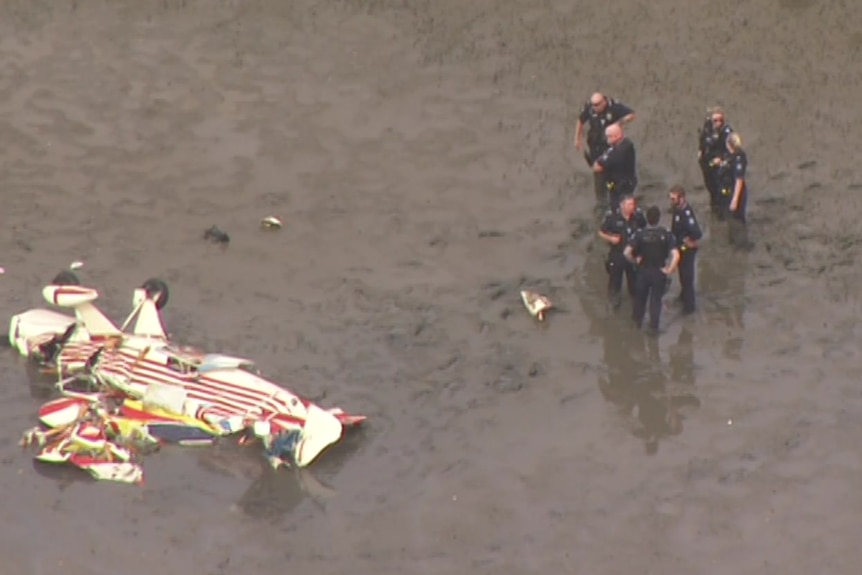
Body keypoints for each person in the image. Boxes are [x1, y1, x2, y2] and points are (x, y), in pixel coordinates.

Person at [624, 206, 680, 333]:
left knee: (639, 299)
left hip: (643, 270)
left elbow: (626, 252)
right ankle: (653, 328)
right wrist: (669, 269)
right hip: (659, 271)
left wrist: (634, 260)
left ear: (647, 219)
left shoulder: (639, 234)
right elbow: (676, 255)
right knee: (656, 300)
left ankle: (636, 323)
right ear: (659, 218)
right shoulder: (666, 233)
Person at [574, 93, 636, 202]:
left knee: (611, 172)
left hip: (608, 145)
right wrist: (577, 138)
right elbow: (581, 120)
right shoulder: (589, 107)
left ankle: (612, 189)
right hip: (595, 144)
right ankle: (601, 195)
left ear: (604, 102)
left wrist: (619, 123)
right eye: (593, 105)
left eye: (597, 105)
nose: (595, 108)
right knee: (598, 172)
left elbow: (632, 114)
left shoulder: (614, 107)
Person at [598, 195, 647, 309]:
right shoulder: (612, 217)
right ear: (622, 205)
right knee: (615, 281)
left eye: (633, 204)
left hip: (633, 254)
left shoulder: (637, 216)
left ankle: (635, 300)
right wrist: (610, 238)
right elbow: (601, 232)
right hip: (617, 254)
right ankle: (614, 301)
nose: (632, 207)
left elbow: (644, 228)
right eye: (629, 204)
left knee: (634, 281)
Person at [668, 185, 703, 314]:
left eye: (673, 199)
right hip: (679, 248)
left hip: (687, 251)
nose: (671, 201)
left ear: (681, 198)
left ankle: (689, 308)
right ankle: (683, 297)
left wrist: (688, 240)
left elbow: (697, 233)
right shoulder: (677, 209)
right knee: (682, 276)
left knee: (687, 278)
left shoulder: (686, 213)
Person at [716, 132, 750, 248]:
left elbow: (739, 180)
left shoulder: (739, 157)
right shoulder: (730, 155)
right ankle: (733, 239)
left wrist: (735, 200)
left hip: (735, 192)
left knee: (738, 218)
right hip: (726, 191)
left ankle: (742, 243)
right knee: (729, 216)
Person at [593, 124, 637, 211]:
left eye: (609, 137)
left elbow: (597, 167)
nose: (607, 139)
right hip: (612, 184)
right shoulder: (622, 145)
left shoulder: (621, 150)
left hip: (622, 186)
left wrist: (602, 159)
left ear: (618, 135)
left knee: (620, 206)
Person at [697, 107, 734, 212]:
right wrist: (700, 152)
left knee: (722, 191)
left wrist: (722, 160)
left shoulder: (727, 133)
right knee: (711, 188)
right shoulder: (708, 129)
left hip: (721, 168)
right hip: (708, 165)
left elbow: (732, 151)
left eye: (720, 120)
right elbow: (703, 140)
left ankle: (723, 210)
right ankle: (714, 206)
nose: (718, 123)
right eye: (715, 120)